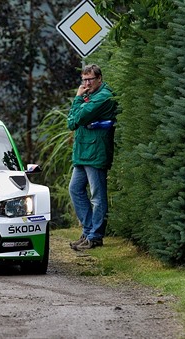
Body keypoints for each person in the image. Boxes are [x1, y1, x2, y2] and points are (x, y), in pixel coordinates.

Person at [67, 64, 118, 250]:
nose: (86, 83)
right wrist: (80, 103)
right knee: (75, 190)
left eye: (90, 79)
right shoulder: (89, 96)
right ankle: (88, 232)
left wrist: (78, 99)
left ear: (99, 79)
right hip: (82, 152)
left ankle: (95, 237)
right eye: (84, 80)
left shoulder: (104, 97)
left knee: (97, 196)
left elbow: (77, 120)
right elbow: (72, 122)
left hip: (95, 152)